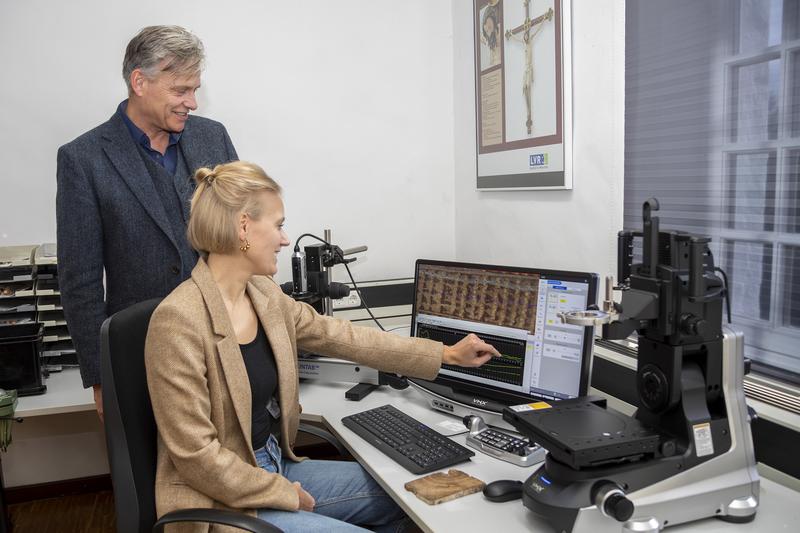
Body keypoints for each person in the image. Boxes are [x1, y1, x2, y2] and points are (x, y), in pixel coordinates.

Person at [144, 161, 501, 532]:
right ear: (244, 227)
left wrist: (445, 354)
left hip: (272, 462)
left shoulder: (263, 294)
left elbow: (340, 335)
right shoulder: (179, 321)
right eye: (279, 225)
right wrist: (283, 493)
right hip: (220, 498)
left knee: (406, 499)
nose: (285, 239)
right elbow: (198, 458)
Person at [56, 25, 238, 420]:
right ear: (140, 81)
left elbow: (242, 236)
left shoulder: (213, 138)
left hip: (225, 345)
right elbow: (80, 279)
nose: (191, 102)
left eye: (195, 89)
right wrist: (102, 377)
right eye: (180, 91)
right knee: (156, 476)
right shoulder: (83, 160)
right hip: (141, 356)